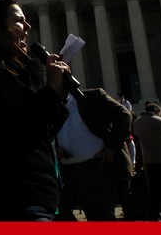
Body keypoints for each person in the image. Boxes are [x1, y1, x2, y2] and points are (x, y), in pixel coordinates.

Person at [0, 0, 70, 221]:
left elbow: (45, 131)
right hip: (14, 198)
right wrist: (51, 89)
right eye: (19, 21)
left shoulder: (21, 72)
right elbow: (17, 128)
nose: (28, 26)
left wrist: (58, 92)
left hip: (40, 196)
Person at [55, 88, 133, 221]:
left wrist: (111, 147)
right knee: (58, 211)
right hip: (67, 170)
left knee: (100, 215)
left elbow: (124, 115)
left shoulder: (91, 96)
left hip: (96, 167)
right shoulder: (54, 105)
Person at [133, 103, 161, 221]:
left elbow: (137, 136)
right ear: (157, 110)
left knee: (154, 190)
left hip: (149, 160)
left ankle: (154, 214)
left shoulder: (137, 122)